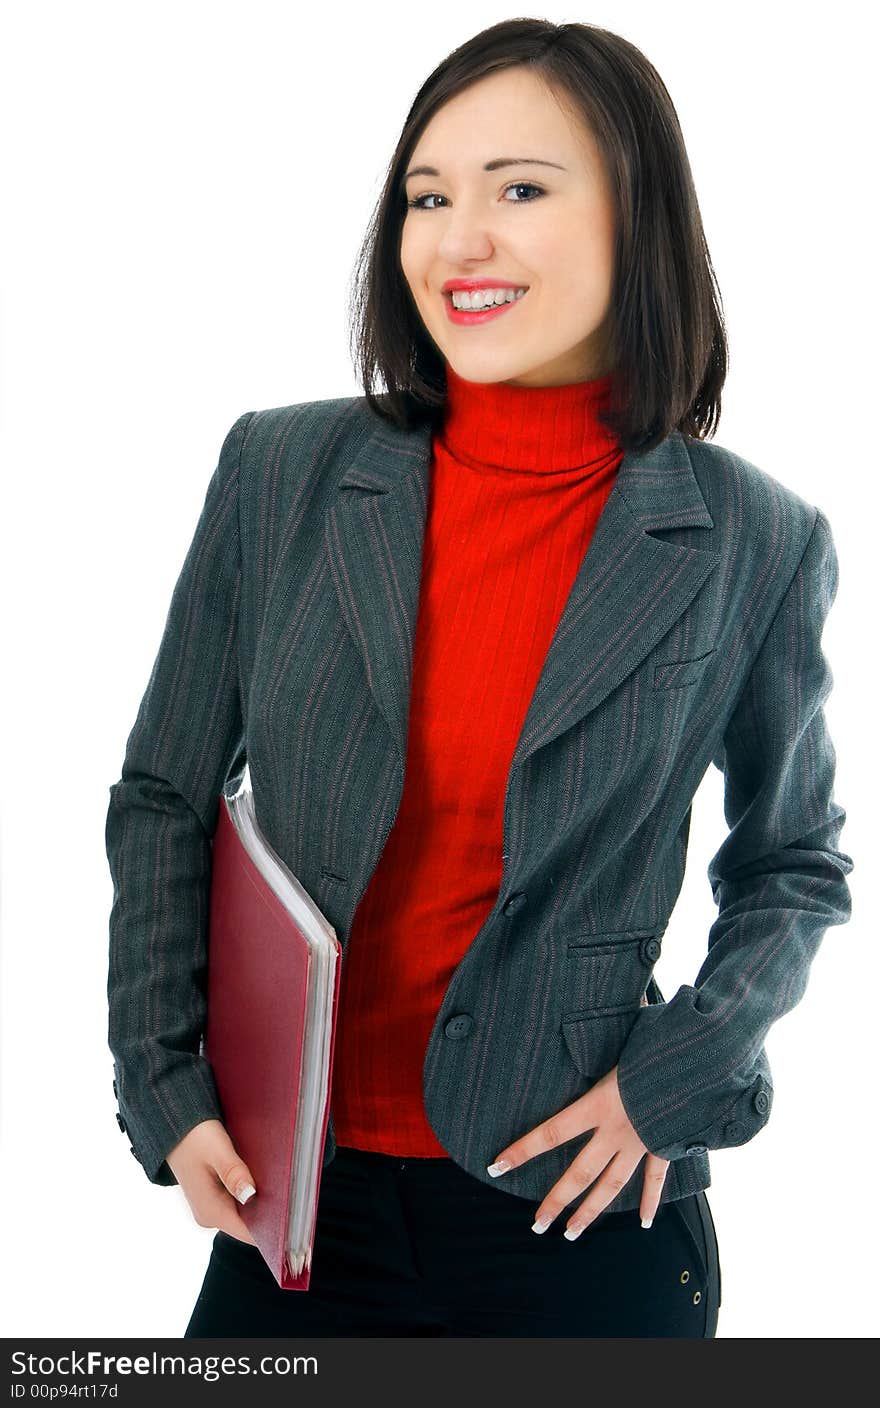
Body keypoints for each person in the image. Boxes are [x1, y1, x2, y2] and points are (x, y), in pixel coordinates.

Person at [105, 18, 853, 1339]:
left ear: (641, 222)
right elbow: (166, 794)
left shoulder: (755, 538)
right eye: (426, 197)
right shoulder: (281, 473)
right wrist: (166, 1087)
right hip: (295, 1208)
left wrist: (671, 1085)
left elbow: (794, 868)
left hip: (577, 1222)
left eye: (520, 189)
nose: (459, 240)